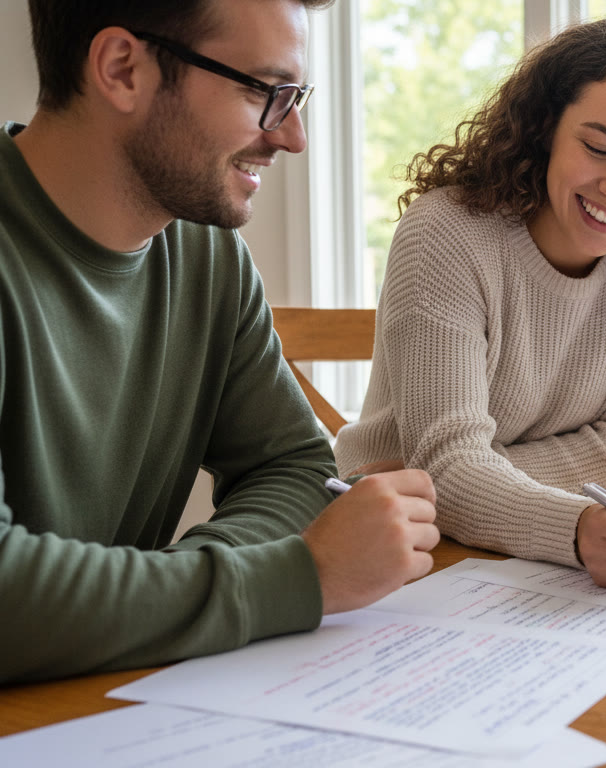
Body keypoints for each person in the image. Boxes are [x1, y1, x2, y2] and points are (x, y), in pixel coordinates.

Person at [0, 0, 441, 685]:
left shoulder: (207, 255)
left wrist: (191, 588)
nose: (292, 136)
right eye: (263, 91)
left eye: (294, 97)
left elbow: (293, 468)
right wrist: (299, 576)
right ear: (122, 70)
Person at [334, 17, 606, 589]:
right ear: (544, 129)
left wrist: (463, 473)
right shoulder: (447, 234)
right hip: (392, 547)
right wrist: (575, 527)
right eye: (599, 147)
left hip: (494, 543)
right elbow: (449, 468)